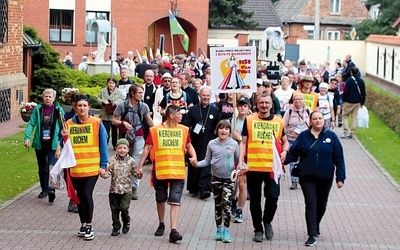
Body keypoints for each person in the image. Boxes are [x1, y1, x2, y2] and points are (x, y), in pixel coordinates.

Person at [136, 105, 197, 243]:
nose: (182, 116)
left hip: (178, 171)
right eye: (179, 114)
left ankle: (173, 230)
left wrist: (194, 157)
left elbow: (189, 146)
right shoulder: (155, 130)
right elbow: (147, 149)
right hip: (160, 171)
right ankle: (161, 223)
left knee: (175, 201)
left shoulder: (183, 130)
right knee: (160, 199)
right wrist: (139, 167)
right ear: (171, 115)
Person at [284, 110, 345, 247]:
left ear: (324, 121)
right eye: (315, 119)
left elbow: (339, 158)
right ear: (310, 121)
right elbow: (293, 154)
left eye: (320, 118)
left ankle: (316, 224)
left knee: (321, 204)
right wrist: (282, 160)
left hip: (325, 177)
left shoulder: (332, 137)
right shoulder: (304, 136)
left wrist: (340, 178)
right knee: (311, 203)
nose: (318, 121)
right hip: (307, 177)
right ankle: (311, 234)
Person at [238, 93, 290, 242]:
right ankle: (258, 229)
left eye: (267, 103)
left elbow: (285, 141)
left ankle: (267, 221)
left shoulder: (279, 122)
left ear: (271, 104)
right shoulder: (249, 120)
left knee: (273, 196)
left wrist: (285, 151)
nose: (264, 105)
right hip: (254, 167)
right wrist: (241, 162)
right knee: (255, 200)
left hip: (272, 168)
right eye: (261, 102)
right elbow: (243, 142)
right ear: (257, 104)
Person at [60, 94, 109, 241]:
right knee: (80, 197)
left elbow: (104, 144)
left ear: (89, 107)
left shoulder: (96, 123)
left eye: (84, 106)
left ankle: (89, 225)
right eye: (79, 105)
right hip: (75, 168)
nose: (82, 108)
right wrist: (63, 137)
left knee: (87, 194)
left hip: (92, 168)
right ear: (75, 107)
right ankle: (82, 224)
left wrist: (103, 165)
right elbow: (65, 146)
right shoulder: (68, 124)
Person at [194, 120, 247, 243]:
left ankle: (226, 230)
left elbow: (238, 161)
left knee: (226, 204)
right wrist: (196, 164)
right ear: (217, 130)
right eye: (221, 128)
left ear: (229, 131)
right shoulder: (212, 144)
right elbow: (207, 161)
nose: (224, 131)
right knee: (218, 204)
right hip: (215, 178)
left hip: (229, 179)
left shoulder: (234, 144)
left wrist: (244, 167)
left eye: (226, 129)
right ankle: (218, 229)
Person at [112, 84, 154, 200]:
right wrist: (122, 123)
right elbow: (114, 120)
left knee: (135, 159)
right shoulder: (122, 106)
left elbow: (148, 120)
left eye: (142, 93)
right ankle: (122, 186)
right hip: (124, 135)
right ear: (132, 93)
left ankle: (134, 188)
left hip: (138, 133)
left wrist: (157, 131)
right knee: (124, 160)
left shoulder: (143, 106)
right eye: (139, 93)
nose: (141, 95)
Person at [23, 89, 64, 204]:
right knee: (42, 168)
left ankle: (52, 191)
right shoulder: (38, 109)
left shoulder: (58, 110)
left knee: (52, 167)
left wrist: (59, 145)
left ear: (54, 98)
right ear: (43, 97)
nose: (47, 98)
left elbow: (63, 127)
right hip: (40, 144)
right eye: (46, 96)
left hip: (53, 144)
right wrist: (27, 138)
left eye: (50, 96)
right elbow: (31, 123)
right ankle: (44, 189)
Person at [183, 87, 221, 199]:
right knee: (195, 163)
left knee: (206, 165)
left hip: (209, 142)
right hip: (195, 143)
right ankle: (194, 187)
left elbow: (219, 127)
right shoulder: (193, 110)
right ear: (200, 95)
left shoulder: (215, 111)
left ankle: (204, 188)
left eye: (208, 96)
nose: (205, 97)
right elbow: (186, 126)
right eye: (203, 95)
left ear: (210, 96)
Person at [103, 138, 143, 236]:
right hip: (114, 190)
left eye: (124, 148)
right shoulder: (112, 160)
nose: (122, 150)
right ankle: (116, 227)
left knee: (124, 208)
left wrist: (139, 174)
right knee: (114, 210)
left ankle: (126, 221)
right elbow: (108, 171)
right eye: (120, 148)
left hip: (126, 191)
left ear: (128, 149)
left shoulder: (131, 161)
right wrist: (104, 174)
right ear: (116, 149)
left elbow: (135, 173)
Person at [230, 96, 252, 223]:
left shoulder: (251, 122)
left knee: (242, 183)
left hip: (245, 157)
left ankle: (239, 209)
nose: (242, 108)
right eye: (240, 105)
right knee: (232, 184)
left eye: (245, 106)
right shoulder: (231, 121)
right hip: (232, 156)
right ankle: (233, 200)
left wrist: (239, 138)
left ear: (249, 107)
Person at [283, 93, 310, 190]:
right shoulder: (289, 111)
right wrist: (284, 138)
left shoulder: (307, 110)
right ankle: (294, 181)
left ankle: (303, 179)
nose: (298, 101)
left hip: (305, 140)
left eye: (300, 99)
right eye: (295, 99)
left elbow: (311, 124)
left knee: (305, 160)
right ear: (293, 101)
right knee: (293, 161)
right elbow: (284, 125)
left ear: (303, 100)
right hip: (292, 140)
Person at [97, 77, 125, 150]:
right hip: (105, 114)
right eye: (109, 83)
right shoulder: (102, 91)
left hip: (114, 114)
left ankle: (115, 145)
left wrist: (115, 103)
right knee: (105, 130)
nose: (111, 84)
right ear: (107, 83)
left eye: (113, 83)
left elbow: (122, 99)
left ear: (115, 84)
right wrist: (103, 101)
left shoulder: (119, 92)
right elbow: (97, 99)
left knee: (115, 131)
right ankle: (104, 144)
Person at [341, 67, 366, 138]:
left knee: (345, 116)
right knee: (354, 117)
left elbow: (346, 91)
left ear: (351, 72)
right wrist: (362, 102)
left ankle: (346, 131)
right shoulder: (361, 81)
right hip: (357, 102)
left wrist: (344, 99)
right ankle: (352, 132)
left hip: (348, 101)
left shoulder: (349, 80)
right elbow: (363, 93)